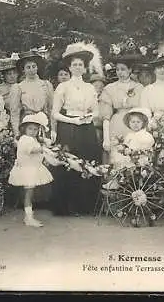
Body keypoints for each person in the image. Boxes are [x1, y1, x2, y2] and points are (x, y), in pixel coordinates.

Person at [50, 42, 102, 216]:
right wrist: (72, 120)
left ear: (84, 67)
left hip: (86, 127)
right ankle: (66, 206)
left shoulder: (89, 87)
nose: (77, 67)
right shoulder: (63, 87)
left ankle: (85, 205)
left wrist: (88, 118)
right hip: (68, 127)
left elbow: (96, 111)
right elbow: (55, 113)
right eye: (74, 64)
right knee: (68, 163)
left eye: (80, 64)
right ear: (69, 67)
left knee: (87, 162)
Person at [100, 47, 144, 165]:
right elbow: (106, 116)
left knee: (135, 154)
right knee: (118, 155)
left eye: (123, 69)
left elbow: (143, 110)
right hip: (117, 123)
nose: (120, 72)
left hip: (135, 122)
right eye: (118, 69)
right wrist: (106, 138)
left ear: (130, 70)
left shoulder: (139, 87)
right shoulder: (109, 88)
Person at [8, 112, 53, 227]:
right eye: (30, 129)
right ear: (24, 129)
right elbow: (32, 150)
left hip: (32, 168)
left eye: (35, 129)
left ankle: (29, 215)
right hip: (27, 170)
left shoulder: (31, 138)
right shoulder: (25, 139)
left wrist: (44, 142)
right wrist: (44, 148)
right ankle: (28, 218)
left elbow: (37, 143)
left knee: (30, 193)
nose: (33, 131)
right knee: (28, 194)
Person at [9, 50, 54, 137]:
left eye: (34, 66)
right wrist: (16, 133)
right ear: (23, 70)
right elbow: (14, 112)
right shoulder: (18, 87)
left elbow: (51, 108)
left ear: (37, 67)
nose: (31, 70)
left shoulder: (46, 84)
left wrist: (53, 129)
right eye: (28, 67)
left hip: (43, 122)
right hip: (27, 123)